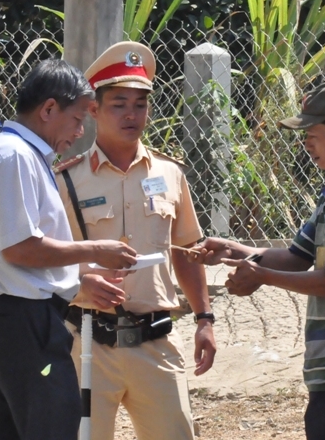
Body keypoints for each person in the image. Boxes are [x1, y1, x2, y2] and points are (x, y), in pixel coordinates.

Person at [191, 80, 325, 440]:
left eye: (313, 135)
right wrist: (235, 250)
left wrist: (260, 275)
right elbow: (297, 256)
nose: (306, 144)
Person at [0, 59, 137, 440]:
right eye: (77, 119)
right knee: (53, 426)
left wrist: (81, 272)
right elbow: (21, 249)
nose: (79, 132)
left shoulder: (18, 155)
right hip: (25, 323)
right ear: (48, 109)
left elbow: (22, 249)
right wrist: (94, 249)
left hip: (12, 321)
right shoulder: (15, 157)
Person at [54, 41, 217, 440]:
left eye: (140, 105)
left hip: (155, 343)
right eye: (119, 104)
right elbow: (46, 256)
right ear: (94, 109)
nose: (132, 114)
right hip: (88, 343)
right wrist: (82, 279)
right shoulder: (66, 180)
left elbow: (186, 253)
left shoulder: (170, 173)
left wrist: (204, 319)